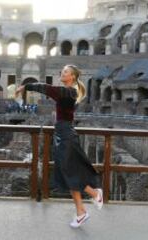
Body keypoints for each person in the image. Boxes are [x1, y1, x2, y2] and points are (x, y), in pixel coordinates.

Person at [15, 65, 103, 228]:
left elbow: (46, 88)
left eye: (65, 72)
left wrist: (26, 86)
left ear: (73, 77)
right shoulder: (68, 91)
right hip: (62, 133)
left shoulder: (68, 92)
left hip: (66, 135)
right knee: (66, 172)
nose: (62, 73)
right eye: (62, 71)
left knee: (69, 171)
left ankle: (94, 193)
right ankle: (81, 212)